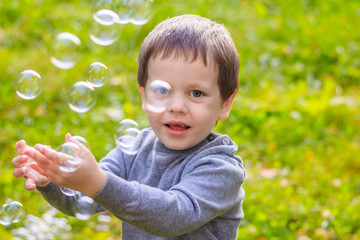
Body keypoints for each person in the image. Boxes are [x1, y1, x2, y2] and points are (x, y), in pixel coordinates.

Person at [12, 14, 246, 239]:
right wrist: (51, 180)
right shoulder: (132, 150)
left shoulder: (221, 168)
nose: (177, 106)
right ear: (144, 97)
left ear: (225, 104)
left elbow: (174, 216)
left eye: (196, 93)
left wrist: (96, 181)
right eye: (162, 90)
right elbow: (83, 198)